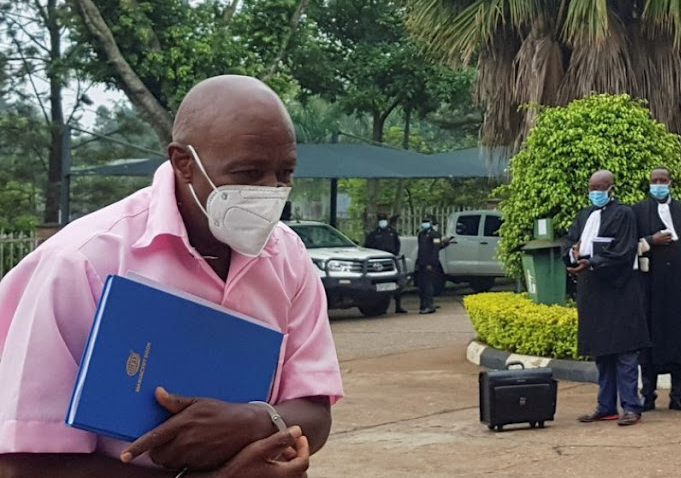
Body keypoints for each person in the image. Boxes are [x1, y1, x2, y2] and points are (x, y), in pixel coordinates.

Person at [0, 75, 344, 477]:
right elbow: (25, 465)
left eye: (284, 173)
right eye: (249, 173)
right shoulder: (81, 262)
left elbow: (315, 410)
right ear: (184, 162)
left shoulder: (287, 256)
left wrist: (254, 421)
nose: (272, 191)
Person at [563, 170, 650, 427]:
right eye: (592, 187)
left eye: (600, 187)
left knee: (624, 350)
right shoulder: (584, 215)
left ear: (611, 188)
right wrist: (572, 254)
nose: (595, 192)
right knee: (602, 352)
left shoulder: (624, 214)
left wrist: (592, 261)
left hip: (619, 290)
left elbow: (623, 250)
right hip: (593, 291)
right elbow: (569, 241)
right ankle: (605, 406)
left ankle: (631, 407)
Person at [632, 167, 681, 412]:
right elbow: (629, 244)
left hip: (679, 286)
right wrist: (651, 240)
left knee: (680, 340)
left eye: (662, 181)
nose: (658, 184)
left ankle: (678, 395)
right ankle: (648, 395)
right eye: (654, 181)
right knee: (648, 342)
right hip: (649, 287)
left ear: (670, 183)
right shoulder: (638, 211)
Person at [364, 213, 407, 314]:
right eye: (381, 220)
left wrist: (394, 254)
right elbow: (367, 247)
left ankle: (398, 306)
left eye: (384, 220)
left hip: (391, 261)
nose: (383, 222)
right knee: (379, 284)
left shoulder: (392, 232)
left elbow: (397, 244)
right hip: (377, 263)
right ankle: (380, 307)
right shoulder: (373, 234)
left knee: (397, 282)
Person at [415, 215, 452, 315]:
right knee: (421, 285)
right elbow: (421, 249)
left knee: (428, 285)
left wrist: (431, 263)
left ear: (431, 224)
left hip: (430, 263)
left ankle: (430, 305)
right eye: (423, 222)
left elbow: (435, 250)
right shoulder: (421, 234)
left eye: (426, 222)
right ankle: (423, 304)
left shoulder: (435, 234)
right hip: (421, 262)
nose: (424, 224)